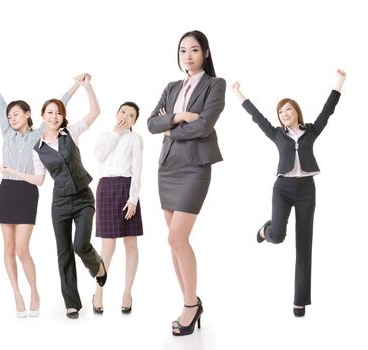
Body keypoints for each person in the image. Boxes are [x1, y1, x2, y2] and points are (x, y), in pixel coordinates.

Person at [231, 69, 346, 317]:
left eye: (287, 110)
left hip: (306, 190)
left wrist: (340, 81)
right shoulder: (275, 134)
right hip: (282, 189)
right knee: (279, 235)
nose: (283, 114)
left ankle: (300, 300)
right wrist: (239, 93)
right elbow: (256, 117)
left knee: (304, 244)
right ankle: (265, 230)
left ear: (296, 112)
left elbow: (328, 111)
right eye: (280, 112)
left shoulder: (311, 131)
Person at [0, 61, 83, 318]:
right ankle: (17, 294)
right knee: (8, 248)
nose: (11, 117)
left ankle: (34, 291)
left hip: (27, 192)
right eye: (9, 115)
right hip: (6, 191)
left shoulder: (39, 133)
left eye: (15, 114)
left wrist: (76, 85)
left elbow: (59, 106)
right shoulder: (7, 133)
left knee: (22, 249)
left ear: (28, 114)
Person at [1, 73, 107, 319]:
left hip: (83, 197)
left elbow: (95, 112)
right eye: (49, 112)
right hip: (59, 202)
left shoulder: (72, 132)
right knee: (63, 251)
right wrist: (13, 171)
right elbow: (39, 180)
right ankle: (71, 303)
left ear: (62, 116)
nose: (54, 115)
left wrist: (87, 87)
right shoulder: (37, 148)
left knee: (80, 245)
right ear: (42, 116)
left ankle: (97, 265)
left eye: (58, 112)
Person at [147, 30, 226, 335]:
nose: (188, 56)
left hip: (194, 168)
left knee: (175, 239)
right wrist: (180, 116)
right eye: (183, 51)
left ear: (205, 53)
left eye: (194, 50)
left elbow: (205, 126)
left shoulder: (214, 85)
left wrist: (170, 128)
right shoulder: (171, 87)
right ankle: (189, 301)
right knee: (175, 242)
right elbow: (152, 123)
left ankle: (190, 307)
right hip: (167, 168)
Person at [92, 102, 144, 315]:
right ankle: (98, 292)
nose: (126, 116)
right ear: (116, 113)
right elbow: (100, 156)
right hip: (106, 187)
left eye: (131, 115)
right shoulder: (105, 135)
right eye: (123, 112)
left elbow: (137, 170)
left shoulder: (135, 138)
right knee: (108, 247)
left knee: (130, 244)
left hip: (126, 187)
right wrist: (115, 133)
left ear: (134, 121)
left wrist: (133, 199)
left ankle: (127, 292)